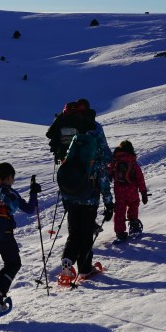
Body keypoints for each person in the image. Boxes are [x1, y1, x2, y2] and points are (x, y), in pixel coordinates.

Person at [0, 162, 40, 327]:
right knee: (13, 263)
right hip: (4, 235)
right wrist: (33, 192)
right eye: (13, 178)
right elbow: (30, 209)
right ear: (9, 177)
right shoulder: (9, 192)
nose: (13, 181)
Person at [57, 114, 113, 282]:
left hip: (71, 200)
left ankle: (67, 261)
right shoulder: (97, 160)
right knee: (86, 235)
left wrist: (66, 201)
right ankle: (85, 269)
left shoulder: (72, 156)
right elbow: (104, 183)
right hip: (89, 202)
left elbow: (64, 180)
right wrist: (109, 204)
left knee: (74, 233)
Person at [108, 140, 149, 242]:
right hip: (132, 191)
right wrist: (143, 193)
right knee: (133, 206)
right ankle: (134, 224)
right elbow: (140, 178)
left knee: (120, 211)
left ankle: (120, 232)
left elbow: (109, 173)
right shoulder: (133, 163)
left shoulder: (115, 162)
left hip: (120, 192)